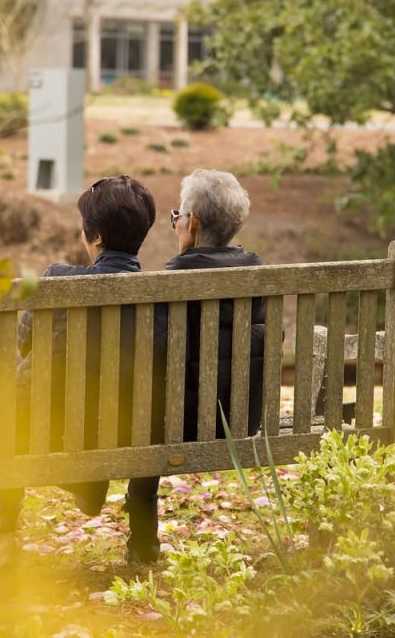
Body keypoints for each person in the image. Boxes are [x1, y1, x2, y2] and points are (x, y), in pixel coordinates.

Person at [0, 175, 157, 532]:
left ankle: (6, 529)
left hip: (50, 428)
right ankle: (110, 506)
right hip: (130, 428)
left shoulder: (60, 279)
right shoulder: (160, 293)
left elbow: (25, 344)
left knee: (11, 394)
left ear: (95, 237)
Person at [125, 169, 267, 564]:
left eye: (178, 216)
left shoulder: (171, 281)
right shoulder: (258, 274)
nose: (176, 223)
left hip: (175, 425)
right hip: (241, 420)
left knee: (146, 422)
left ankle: (143, 544)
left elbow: (150, 354)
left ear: (194, 224)